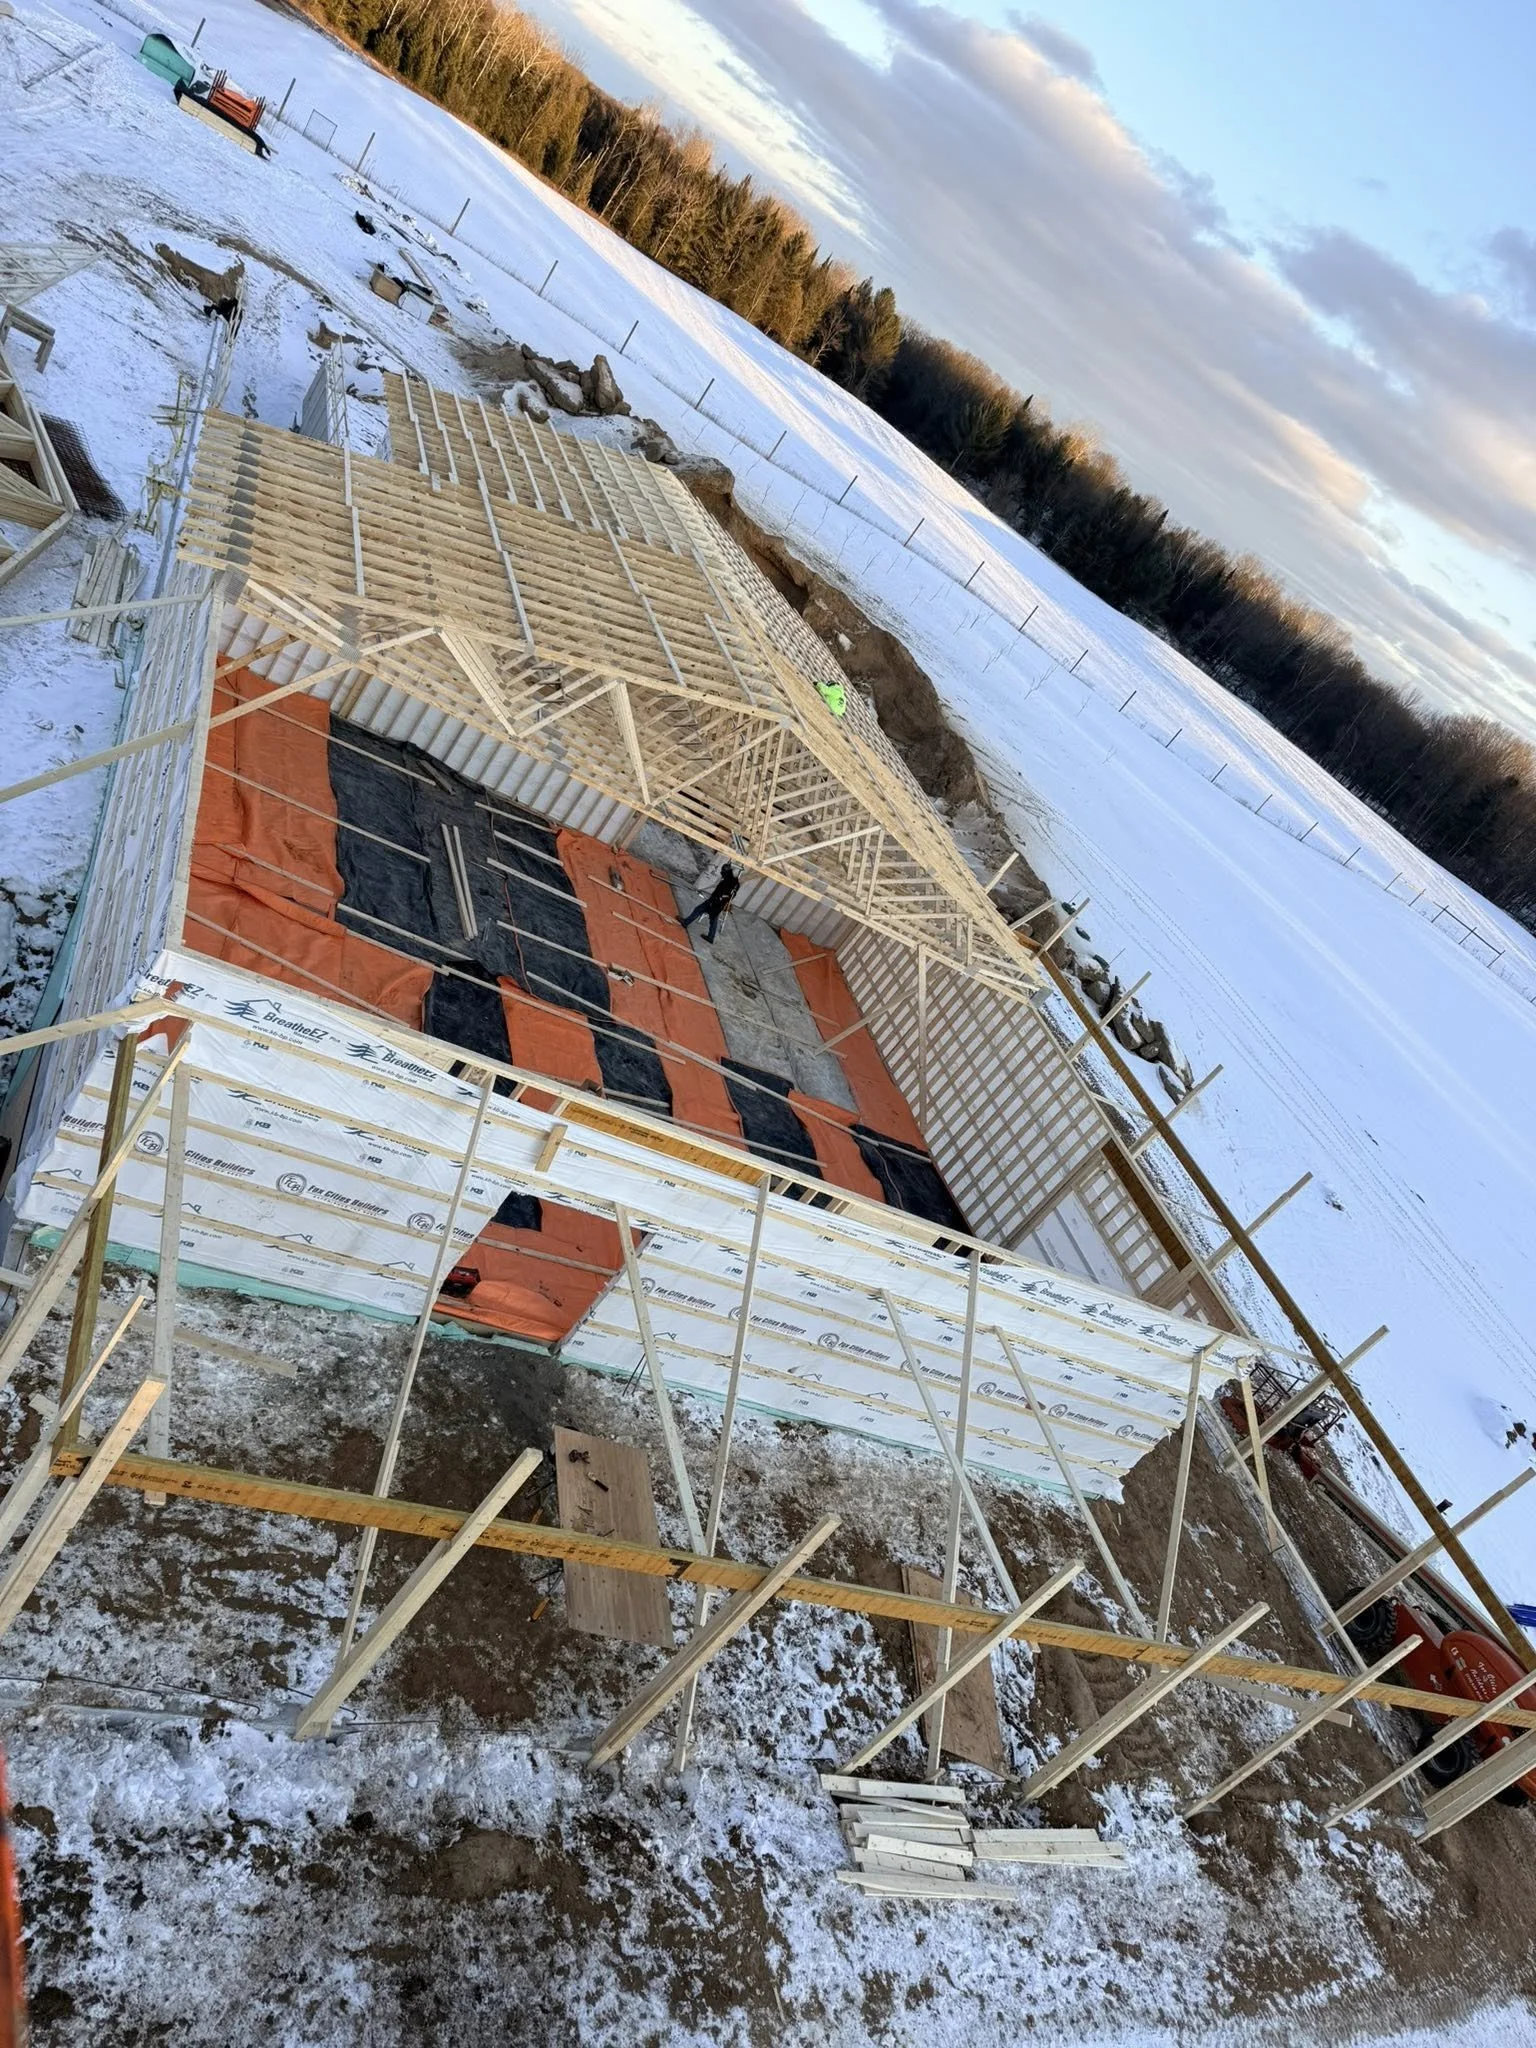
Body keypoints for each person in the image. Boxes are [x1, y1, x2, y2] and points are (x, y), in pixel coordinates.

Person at [681, 861, 740, 944]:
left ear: (725, 872)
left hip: (714, 903)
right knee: (713, 920)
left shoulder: (725, 883)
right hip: (720, 905)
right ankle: (710, 937)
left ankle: (686, 923)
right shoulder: (735, 883)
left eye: (722, 872)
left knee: (698, 910)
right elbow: (730, 895)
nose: (721, 873)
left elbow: (721, 895)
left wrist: (713, 901)